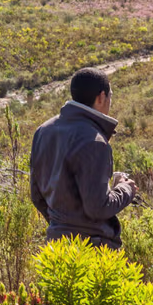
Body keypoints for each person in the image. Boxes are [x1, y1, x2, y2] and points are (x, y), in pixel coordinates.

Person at [30, 67, 137, 249]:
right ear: (101, 97)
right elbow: (98, 207)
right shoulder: (94, 141)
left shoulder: (43, 131)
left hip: (55, 247)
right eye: (110, 95)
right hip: (91, 251)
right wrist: (125, 189)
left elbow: (36, 195)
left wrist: (61, 226)